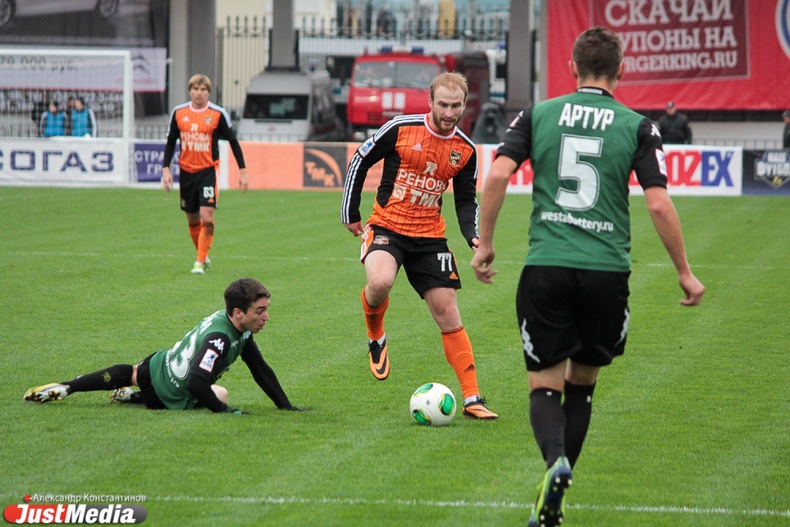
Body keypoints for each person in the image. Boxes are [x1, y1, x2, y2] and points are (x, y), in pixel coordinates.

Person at [470, 26, 705, 527]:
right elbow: (658, 203)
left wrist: (485, 242)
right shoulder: (639, 127)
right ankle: (557, 489)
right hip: (606, 272)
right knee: (582, 386)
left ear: (572, 67)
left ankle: (554, 463)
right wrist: (684, 272)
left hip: (548, 266)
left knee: (544, 386)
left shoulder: (538, 114)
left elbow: (498, 174)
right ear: (622, 70)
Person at [341, 72, 498, 420]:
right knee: (380, 282)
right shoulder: (400, 128)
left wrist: (473, 235)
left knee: (448, 311)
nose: (449, 112)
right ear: (430, 102)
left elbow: (466, 200)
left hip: (430, 237)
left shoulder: (465, 150)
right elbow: (360, 159)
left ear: (464, 105)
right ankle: (376, 333)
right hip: (387, 226)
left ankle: (472, 398)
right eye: (442, 104)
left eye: (455, 106)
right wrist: (350, 212)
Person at [24, 278, 302, 414]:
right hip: (167, 394)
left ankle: (68, 387)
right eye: (260, 311)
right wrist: (229, 413)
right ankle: (137, 398)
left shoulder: (230, 323)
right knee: (220, 394)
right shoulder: (219, 339)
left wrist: (286, 406)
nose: (266, 316)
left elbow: (259, 367)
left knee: (133, 372)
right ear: (239, 312)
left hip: (156, 364)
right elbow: (196, 383)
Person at [161, 74, 249, 275]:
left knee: (206, 216)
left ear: (208, 93)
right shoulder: (179, 113)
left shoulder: (217, 114)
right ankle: (203, 254)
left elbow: (233, 142)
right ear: (190, 91)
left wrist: (243, 171)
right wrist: (166, 169)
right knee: (192, 218)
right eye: (196, 89)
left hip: (208, 172)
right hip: (186, 173)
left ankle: (199, 262)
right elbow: (171, 142)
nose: (199, 93)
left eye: (203, 90)